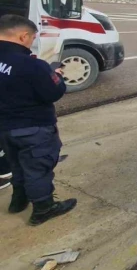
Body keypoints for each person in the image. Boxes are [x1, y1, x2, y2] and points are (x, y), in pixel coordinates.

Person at [0, 14, 76, 226]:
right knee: (37, 169)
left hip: (4, 128)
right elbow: (53, 93)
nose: (32, 42)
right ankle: (43, 209)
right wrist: (56, 75)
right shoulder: (33, 65)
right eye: (33, 37)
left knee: (17, 165)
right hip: (33, 129)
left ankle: (18, 201)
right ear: (23, 36)